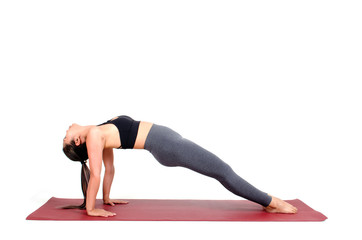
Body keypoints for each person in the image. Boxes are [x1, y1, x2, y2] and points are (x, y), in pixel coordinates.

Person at [63, 115, 297, 217]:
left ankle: (268, 201)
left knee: (221, 170)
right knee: (223, 171)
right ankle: (271, 202)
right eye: (65, 137)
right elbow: (96, 173)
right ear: (77, 141)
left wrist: (107, 197)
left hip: (169, 142)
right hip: (167, 146)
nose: (65, 131)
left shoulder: (100, 130)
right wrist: (92, 208)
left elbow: (110, 168)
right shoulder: (94, 134)